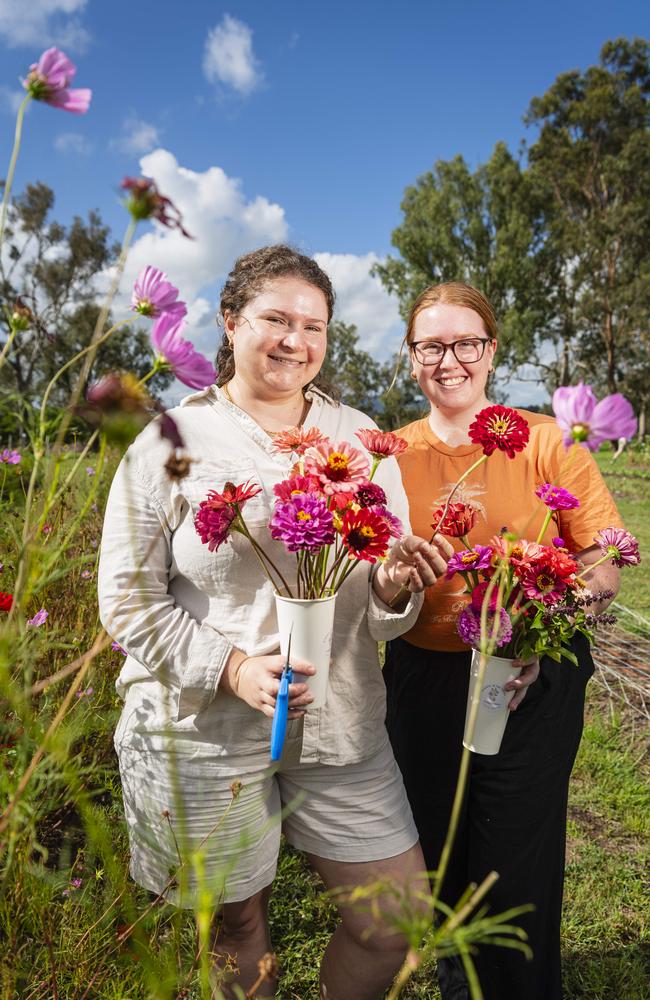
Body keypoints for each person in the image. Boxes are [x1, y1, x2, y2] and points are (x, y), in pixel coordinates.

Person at [98, 245, 453, 1000]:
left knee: (394, 921)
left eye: (313, 326)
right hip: (207, 728)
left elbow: (382, 597)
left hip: (339, 722)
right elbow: (126, 600)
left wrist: (393, 585)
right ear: (230, 324)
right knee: (237, 924)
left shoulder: (360, 440)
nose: (295, 340)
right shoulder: (171, 442)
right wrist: (231, 668)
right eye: (276, 320)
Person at [383, 281, 623, 1000]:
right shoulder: (393, 454)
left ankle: (523, 985)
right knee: (439, 842)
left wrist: (540, 633)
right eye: (431, 345)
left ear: (490, 351)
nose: (448, 360)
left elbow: (602, 564)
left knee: (516, 852)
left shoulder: (548, 442)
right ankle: (465, 979)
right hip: (424, 671)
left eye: (465, 344)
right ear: (411, 356)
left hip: (531, 673)